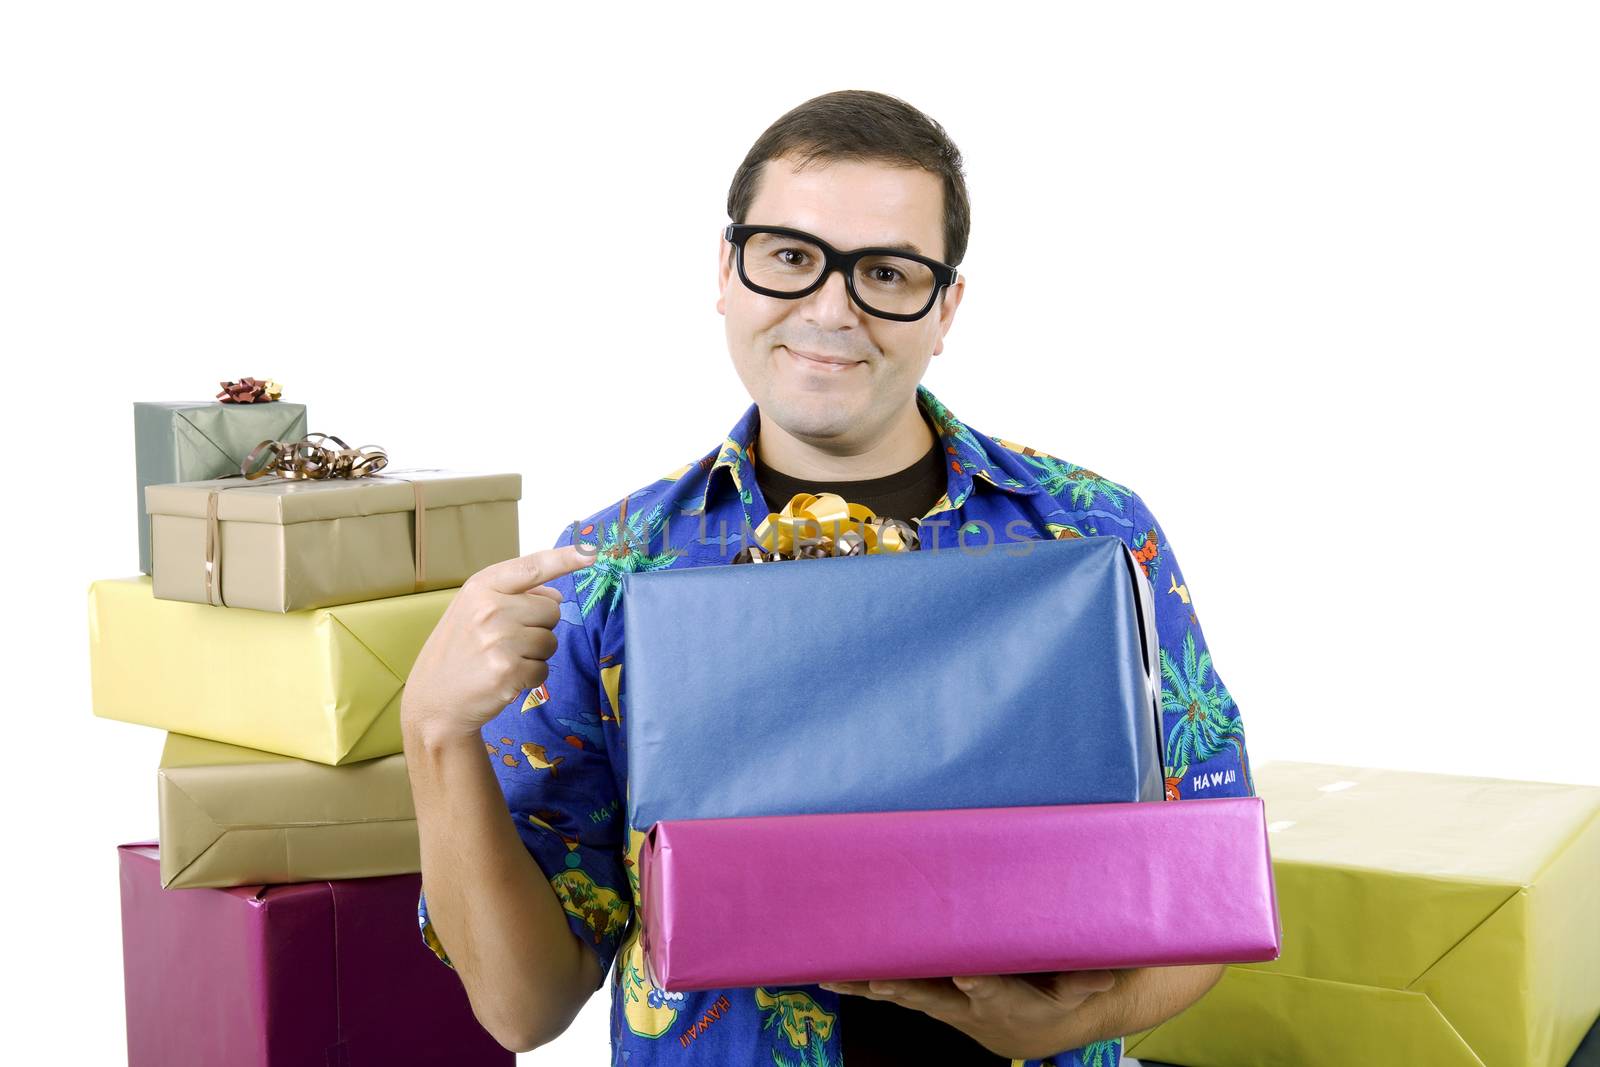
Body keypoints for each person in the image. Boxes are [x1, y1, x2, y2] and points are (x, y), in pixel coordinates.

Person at [400, 89, 1255, 1066]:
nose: (829, 307)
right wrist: (434, 733)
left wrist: (1077, 1020)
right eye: (791, 256)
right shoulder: (610, 569)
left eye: (885, 271)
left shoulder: (1097, 533)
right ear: (727, 271)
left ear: (945, 307)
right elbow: (522, 1007)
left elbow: (1211, 889)